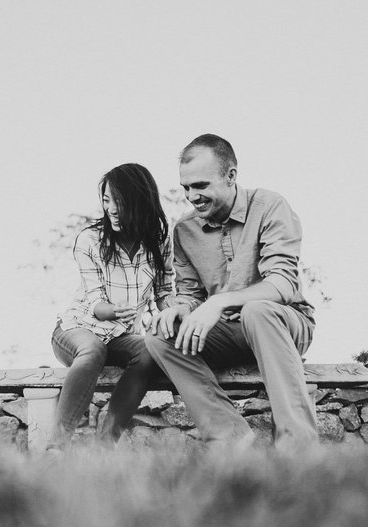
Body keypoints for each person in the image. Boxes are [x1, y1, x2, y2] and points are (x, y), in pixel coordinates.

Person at [144, 134, 319, 451]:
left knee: (257, 311)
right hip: (225, 332)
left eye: (200, 186)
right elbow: (189, 295)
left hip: (283, 323)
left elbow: (283, 284)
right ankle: (230, 437)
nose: (192, 196)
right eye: (186, 188)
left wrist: (221, 301)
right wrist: (179, 309)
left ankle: (298, 446)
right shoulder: (184, 230)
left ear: (231, 176)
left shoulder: (269, 206)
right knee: (160, 334)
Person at [51, 162, 173, 448]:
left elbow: (164, 291)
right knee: (93, 350)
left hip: (120, 335)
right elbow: (94, 302)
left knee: (148, 351)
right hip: (76, 329)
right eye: (107, 200)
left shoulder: (160, 241)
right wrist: (112, 310)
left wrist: (172, 318)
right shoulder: (89, 240)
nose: (112, 209)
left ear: (140, 201)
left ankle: (106, 442)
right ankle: (56, 447)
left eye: (119, 200)